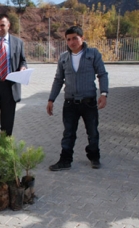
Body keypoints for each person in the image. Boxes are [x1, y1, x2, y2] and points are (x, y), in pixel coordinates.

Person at [47, 26, 108, 171]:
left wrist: (104, 94)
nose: (72, 42)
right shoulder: (63, 58)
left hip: (89, 102)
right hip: (70, 103)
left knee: (92, 132)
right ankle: (65, 160)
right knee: (68, 133)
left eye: (75, 38)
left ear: (82, 38)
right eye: (68, 39)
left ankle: (94, 157)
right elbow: (58, 80)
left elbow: (102, 74)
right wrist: (51, 99)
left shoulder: (93, 54)